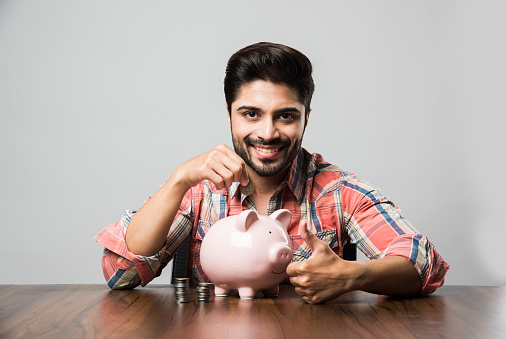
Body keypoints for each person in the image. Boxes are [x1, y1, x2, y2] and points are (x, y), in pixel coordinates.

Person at [94, 42, 449, 304]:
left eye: (286, 116)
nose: (267, 132)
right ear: (229, 113)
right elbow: (121, 273)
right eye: (251, 114)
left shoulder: (339, 191)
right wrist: (177, 180)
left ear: (306, 117)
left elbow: (424, 263)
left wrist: (352, 275)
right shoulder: (198, 188)